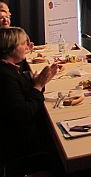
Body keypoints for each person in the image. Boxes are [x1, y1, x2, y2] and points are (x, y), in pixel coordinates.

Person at [0, 27, 60, 177]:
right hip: (19, 145)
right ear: (11, 48)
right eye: (23, 44)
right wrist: (38, 85)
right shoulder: (5, 76)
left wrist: (38, 82)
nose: (27, 47)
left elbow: (26, 94)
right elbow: (24, 112)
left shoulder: (11, 69)